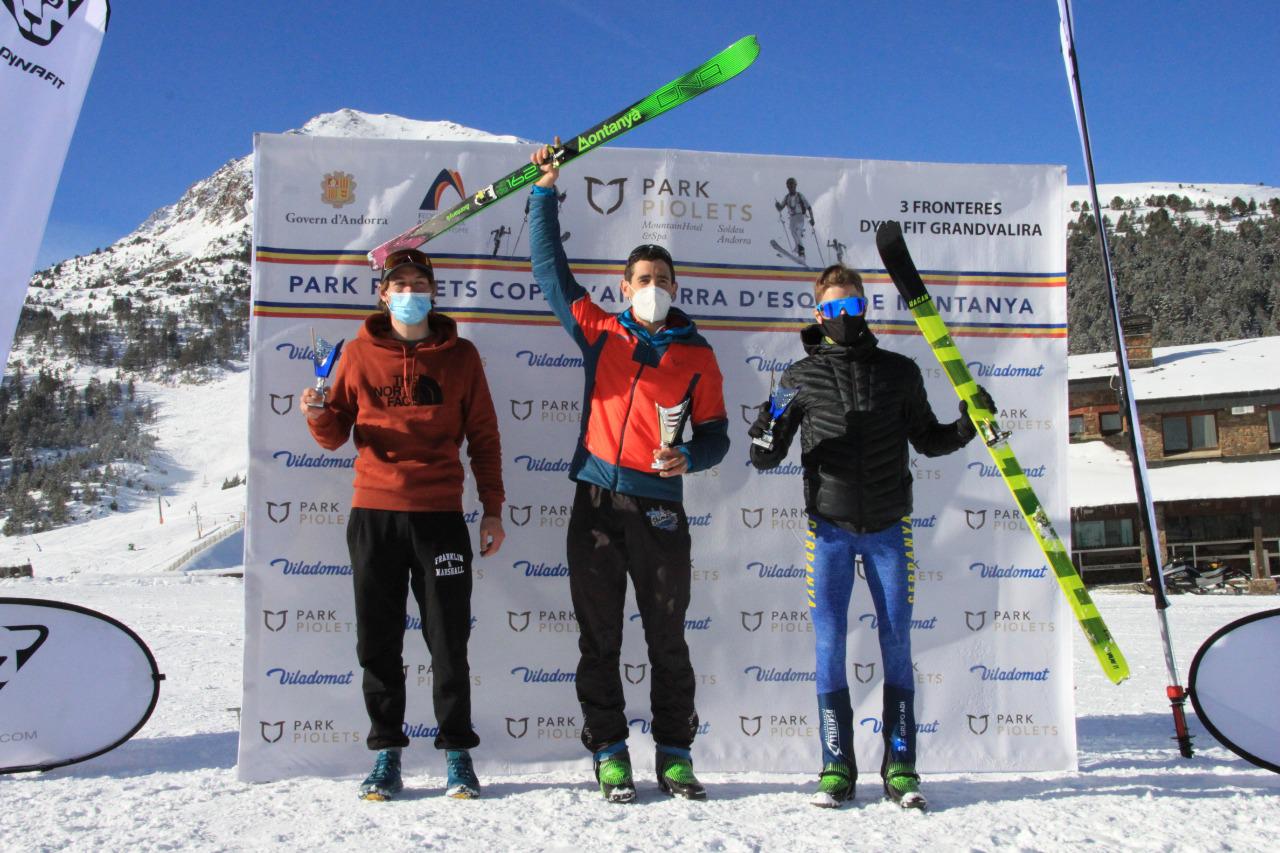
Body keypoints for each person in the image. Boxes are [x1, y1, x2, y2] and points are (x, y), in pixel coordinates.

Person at [748, 264, 993, 811]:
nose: (843, 318)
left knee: (897, 642)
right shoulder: (797, 378)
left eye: (852, 308)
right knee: (830, 645)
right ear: (818, 315)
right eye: (833, 311)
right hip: (828, 530)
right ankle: (837, 767)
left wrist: (966, 425)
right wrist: (765, 426)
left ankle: (901, 765)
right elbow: (764, 457)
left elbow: (928, 441)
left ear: (865, 309)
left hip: (889, 527)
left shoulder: (899, 371)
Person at [527, 143, 730, 803]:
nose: (653, 288)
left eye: (663, 279)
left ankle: (674, 754)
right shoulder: (600, 332)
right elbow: (551, 273)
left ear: (676, 288)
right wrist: (543, 193)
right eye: (643, 278)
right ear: (624, 287)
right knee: (599, 636)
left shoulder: (698, 355)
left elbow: (719, 436)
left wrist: (690, 456)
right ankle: (610, 750)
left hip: (661, 510)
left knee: (668, 636)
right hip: (594, 501)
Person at [301, 247, 506, 802]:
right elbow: (334, 432)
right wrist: (317, 411)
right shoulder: (356, 353)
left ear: (433, 291)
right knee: (378, 641)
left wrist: (492, 509)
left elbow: (484, 437)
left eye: (420, 282)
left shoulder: (461, 356)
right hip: (375, 515)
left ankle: (458, 754)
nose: (410, 292)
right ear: (383, 294)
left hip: (440, 517)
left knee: (448, 641)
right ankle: (386, 754)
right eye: (401, 283)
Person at [775, 177, 814, 260]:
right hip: (792, 217)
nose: (791, 188)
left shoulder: (800, 195)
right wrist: (777, 205)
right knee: (793, 232)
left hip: (800, 216)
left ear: (795, 186)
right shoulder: (787, 197)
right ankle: (797, 247)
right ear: (787, 187)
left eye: (792, 186)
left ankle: (802, 253)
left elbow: (809, 207)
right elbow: (780, 208)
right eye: (789, 186)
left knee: (796, 231)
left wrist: (812, 218)